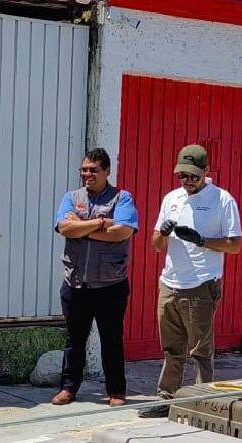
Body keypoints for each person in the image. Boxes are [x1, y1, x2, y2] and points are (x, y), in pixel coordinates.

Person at [139, 144, 242, 418]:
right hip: (170, 283)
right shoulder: (171, 199)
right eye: (182, 176)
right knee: (172, 348)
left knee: (200, 349)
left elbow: (235, 245)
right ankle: (166, 397)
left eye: (193, 176)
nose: (187, 182)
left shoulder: (222, 200)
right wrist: (162, 232)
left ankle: (202, 403)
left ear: (206, 171)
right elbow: (156, 245)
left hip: (201, 284)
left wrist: (202, 241)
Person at [51, 147, 139, 407]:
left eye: (93, 170)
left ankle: (116, 392)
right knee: (74, 340)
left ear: (107, 171)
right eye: (84, 169)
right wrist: (101, 223)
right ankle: (68, 388)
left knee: (111, 339)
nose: (87, 174)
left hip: (110, 285)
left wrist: (82, 228)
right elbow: (64, 227)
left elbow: (122, 232)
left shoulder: (122, 198)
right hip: (75, 283)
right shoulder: (71, 197)